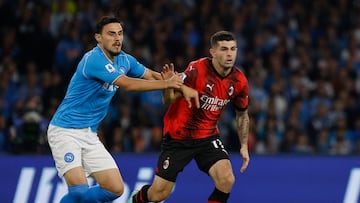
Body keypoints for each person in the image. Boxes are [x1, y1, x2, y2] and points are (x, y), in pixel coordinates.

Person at [47, 16, 198, 203]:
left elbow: (151, 75)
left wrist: (178, 84)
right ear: (98, 38)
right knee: (78, 191)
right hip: (65, 131)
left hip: (89, 134)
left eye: (120, 33)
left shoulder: (125, 60)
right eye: (111, 34)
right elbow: (128, 84)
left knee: (115, 189)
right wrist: (167, 83)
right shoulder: (93, 59)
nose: (117, 38)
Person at [130, 30, 250, 203]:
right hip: (179, 136)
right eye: (224, 49)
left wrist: (244, 145)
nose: (229, 54)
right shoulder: (197, 69)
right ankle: (135, 200)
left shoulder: (239, 80)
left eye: (233, 49)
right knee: (159, 194)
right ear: (213, 52)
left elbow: (242, 114)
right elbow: (168, 99)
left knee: (226, 179)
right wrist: (169, 84)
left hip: (207, 137)